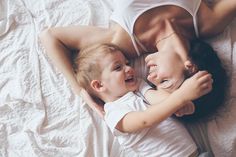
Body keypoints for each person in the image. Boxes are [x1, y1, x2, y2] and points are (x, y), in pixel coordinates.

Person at [39, 0, 235, 120]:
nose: (151, 77)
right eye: (165, 81)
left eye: (154, 84)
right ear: (190, 67)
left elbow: (50, 37)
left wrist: (81, 91)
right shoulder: (209, 23)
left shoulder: (122, 44)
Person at [74, 43, 213, 157]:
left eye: (127, 63)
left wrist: (182, 104)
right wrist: (181, 96)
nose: (129, 68)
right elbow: (146, 119)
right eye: (118, 67)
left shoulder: (138, 86)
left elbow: (158, 99)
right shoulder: (113, 114)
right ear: (99, 85)